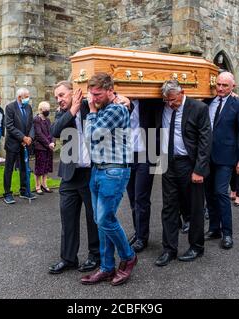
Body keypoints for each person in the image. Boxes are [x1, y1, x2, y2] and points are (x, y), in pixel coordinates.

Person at [81, 73, 137, 286]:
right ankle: (106, 267)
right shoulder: (105, 107)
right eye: (91, 94)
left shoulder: (116, 109)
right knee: (101, 221)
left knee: (105, 219)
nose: (93, 98)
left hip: (114, 172)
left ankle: (129, 256)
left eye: (97, 94)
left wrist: (92, 111)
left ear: (110, 89)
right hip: (98, 170)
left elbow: (91, 136)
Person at [154, 80, 212, 267]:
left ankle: (196, 247)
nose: (170, 104)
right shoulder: (161, 107)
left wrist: (199, 169)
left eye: (173, 99)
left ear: (182, 92)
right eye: (167, 100)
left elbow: (205, 139)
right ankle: (169, 249)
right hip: (168, 162)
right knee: (169, 207)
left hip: (190, 164)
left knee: (194, 208)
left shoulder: (198, 108)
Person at [49, 81, 100, 275]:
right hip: (70, 176)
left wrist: (81, 106)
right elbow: (55, 132)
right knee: (68, 218)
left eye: (62, 95)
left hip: (91, 173)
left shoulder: (91, 106)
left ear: (74, 93)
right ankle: (68, 258)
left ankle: (95, 256)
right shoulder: (62, 114)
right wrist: (73, 109)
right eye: (56, 97)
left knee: (93, 218)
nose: (59, 100)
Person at [202, 72, 239, 250]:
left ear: (233, 87)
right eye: (219, 84)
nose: (221, 88)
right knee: (209, 193)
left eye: (225, 85)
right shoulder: (207, 101)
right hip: (207, 158)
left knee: (221, 192)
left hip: (227, 158)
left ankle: (227, 233)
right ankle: (214, 228)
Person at [126, 99, 157, 253]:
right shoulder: (120, 102)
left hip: (146, 154)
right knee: (132, 197)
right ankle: (138, 231)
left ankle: (142, 237)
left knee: (141, 198)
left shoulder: (149, 102)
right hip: (127, 155)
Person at [2, 88, 36, 204]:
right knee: (9, 169)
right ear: (19, 97)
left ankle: (24, 190)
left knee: (24, 167)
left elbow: (31, 124)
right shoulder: (10, 107)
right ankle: (7, 193)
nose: (28, 98)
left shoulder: (28, 107)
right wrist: (23, 137)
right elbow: (9, 126)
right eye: (26, 96)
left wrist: (30, 137)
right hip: (13, 143)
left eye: (28, 96)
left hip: (25, 144)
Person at [33, 101, 55, 195]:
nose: (48, 111)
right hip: (40, 147)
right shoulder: (36, 119)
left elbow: (52, 132)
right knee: (39, 167)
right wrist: (48, 143)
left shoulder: (48, 120)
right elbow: (39, 134)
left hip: (48, 148)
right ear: (41, 109)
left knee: (46, 167)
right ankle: (37, 186)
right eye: (46, 109)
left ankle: (44, 184)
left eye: (48, 109)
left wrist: (53, 142)